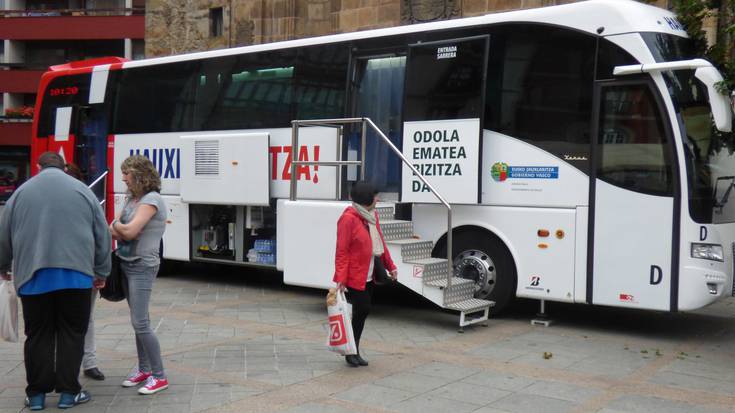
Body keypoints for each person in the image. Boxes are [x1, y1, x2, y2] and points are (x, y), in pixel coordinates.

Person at [0, 152, 111, 410]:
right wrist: (101, 271)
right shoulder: (84, 192)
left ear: (38, 168)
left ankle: (36, 395)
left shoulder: (20, 193)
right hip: (77, 277)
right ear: (64, 168)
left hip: (33, 278)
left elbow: (4, 234)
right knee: (72, 334)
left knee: (38, 335)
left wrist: (4, 266)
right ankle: (68, 394)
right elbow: (102, 234)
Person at [109, 155, 169, 395]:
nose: (123, 178)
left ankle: (159, 376)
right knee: (138, 321)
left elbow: (129, 231)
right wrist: (119, 228)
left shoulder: (152, 200)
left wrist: (118, 227)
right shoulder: (133, 198)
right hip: (125, 263)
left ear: (140, 174)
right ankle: (144, 369)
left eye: (127, 173)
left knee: (140, 322)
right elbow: (115, 230)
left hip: (142, 265)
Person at [333, 181, 398, 367]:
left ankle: (354, 350)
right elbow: (342, 251)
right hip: (355, 276)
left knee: (361, 313)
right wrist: (341, 278)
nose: (377, 199)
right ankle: (350, 351)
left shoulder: (371, 216)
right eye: (375, 196)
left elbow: (380, 243)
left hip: (369, 273)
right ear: (367, 199)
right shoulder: (348, 219)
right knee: (363, 309)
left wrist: (390, 266)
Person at [64, 162, 106, 381]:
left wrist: (100, 271)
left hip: (84, 270)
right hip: (67, 271)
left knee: (85, 317)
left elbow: (101, 238)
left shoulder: (88, 202)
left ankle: (89, 362)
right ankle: (73, 365)